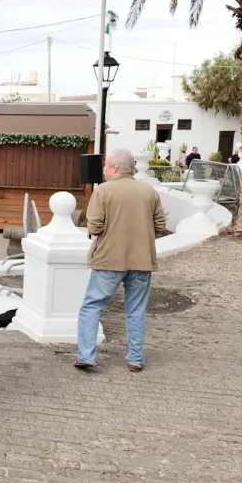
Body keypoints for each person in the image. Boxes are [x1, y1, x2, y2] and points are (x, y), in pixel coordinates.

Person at [76, 149, 168, 372]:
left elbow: (95, 226)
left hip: (109, 259)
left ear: (115, 167)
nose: (104, 170)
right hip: (142, 261)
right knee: (136, 310)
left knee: (92, 306)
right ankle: (135, 359)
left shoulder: (103, 191)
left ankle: (87, 356)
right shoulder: (149, 191)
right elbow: (160, 226)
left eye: (106, 166)